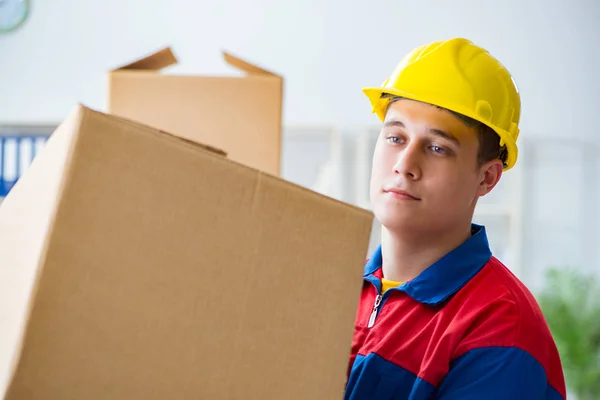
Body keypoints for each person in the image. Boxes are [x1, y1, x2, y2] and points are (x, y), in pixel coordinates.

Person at [344, 38, 566, 399]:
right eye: (395, 137)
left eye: (437, 148)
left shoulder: (502, 329)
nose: (405, 165)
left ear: (487, 177)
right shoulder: (341, 290)